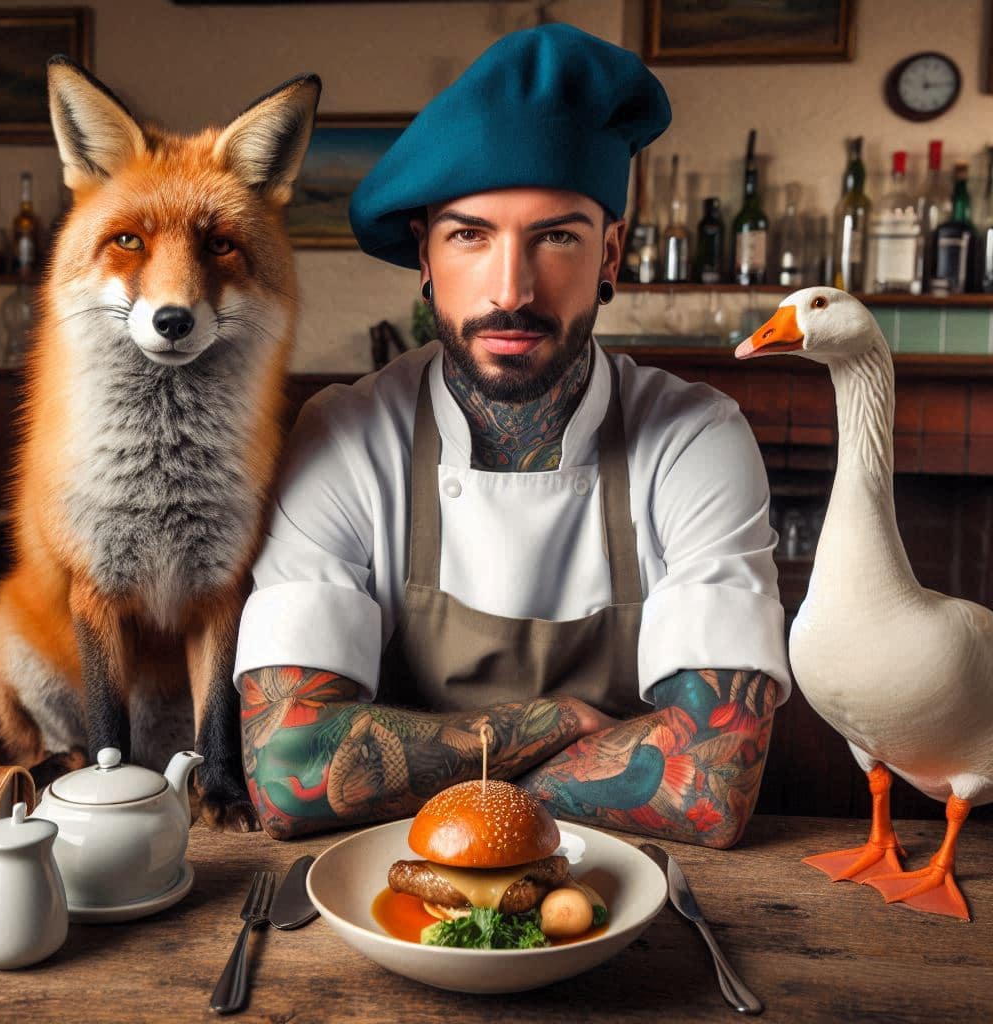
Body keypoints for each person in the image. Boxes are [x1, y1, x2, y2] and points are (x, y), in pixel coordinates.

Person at [234, 23, 792, 845]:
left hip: (628, 884)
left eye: (556, 237)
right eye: (471, 235)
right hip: (397, 880)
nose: (511, 287)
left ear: (612, 253)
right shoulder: (347, 439)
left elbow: (708, 788)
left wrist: (423, 762)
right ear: (424, 254)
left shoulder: (693, 438)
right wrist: (563, 722)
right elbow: (289, 778)